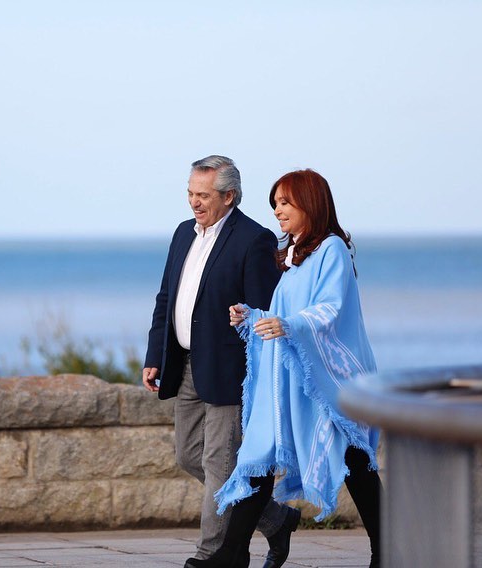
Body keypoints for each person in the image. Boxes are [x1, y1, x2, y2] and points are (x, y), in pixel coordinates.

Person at [187, 169, 383, 568]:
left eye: (285, 203)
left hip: (327, 380)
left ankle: (389, 549)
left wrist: (288, 325)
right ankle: (231, 553)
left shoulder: (332, 250)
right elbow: (283, 314)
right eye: (275, 203)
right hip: (295, 376)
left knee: (354, 463)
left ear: (310, 203)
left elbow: (329, 309)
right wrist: (252, 317)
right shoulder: (294, 255)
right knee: (262, 455)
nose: (278, 211)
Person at [143, 155, 300, 567]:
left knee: (218, 462)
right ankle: (275, 519)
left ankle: (210, 555)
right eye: (191, 193)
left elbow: (262, 311)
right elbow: (167, 299)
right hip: (186, 365)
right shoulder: (182, 234)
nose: (194, 202)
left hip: (231, 371)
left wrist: (248, 325)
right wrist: (154, 354)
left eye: (204, 195)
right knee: (188, 456)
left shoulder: (254, 239)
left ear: (229, 196)